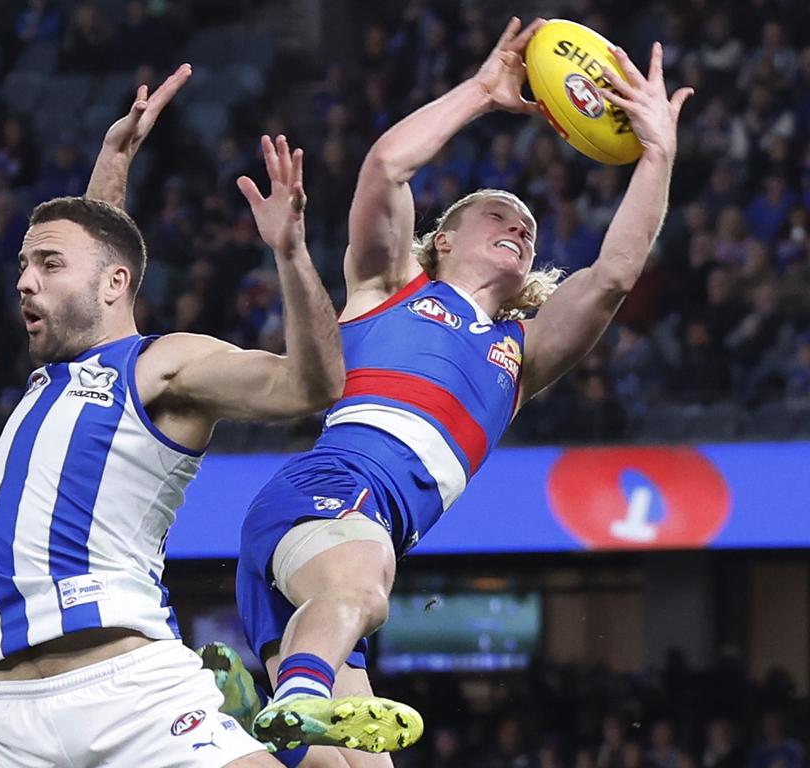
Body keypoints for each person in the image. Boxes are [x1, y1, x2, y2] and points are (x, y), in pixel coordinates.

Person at [226, 17, 693, 767]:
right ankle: (295, 699)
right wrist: (481, 91)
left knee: (346, 765)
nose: (521, 226)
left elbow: (612, 276)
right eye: (499, 215)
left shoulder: (522, 355)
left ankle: (214, 730)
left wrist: (659, 155)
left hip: (342, 550)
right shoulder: (387, 287)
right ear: (441, 238)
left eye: (532, 229)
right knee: (366, 594)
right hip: (336, 497)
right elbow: (385, 170)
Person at [0, 65, 345, 768]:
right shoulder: (55, 372)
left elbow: (311, 385)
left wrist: (290, 255)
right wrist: (113, 164)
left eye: (45, 264)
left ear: (116, 286)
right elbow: (99, 255)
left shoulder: (164, 365)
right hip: (11, 719)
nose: (25, 280)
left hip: (131, 693)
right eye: (24, 264)